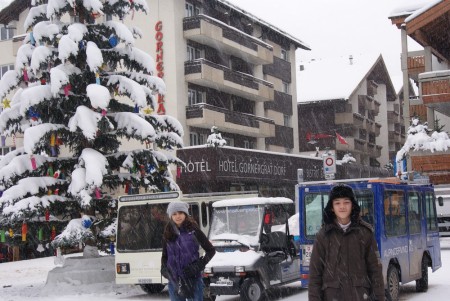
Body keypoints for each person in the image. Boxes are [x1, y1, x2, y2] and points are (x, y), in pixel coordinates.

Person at [308, 184, 385, 301]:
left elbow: (375, 271)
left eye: (346, 202)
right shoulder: (323, 235)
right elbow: (315, 275)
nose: (342, 206)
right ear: (332, 208)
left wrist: (378, 298)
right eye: (337, 203)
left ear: (353, 205)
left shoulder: (365, 233)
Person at [161, 201, 215, 301]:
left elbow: (211, 250)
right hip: (175, 281)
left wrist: (198, 266)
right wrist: (164, 269)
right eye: (174, 214)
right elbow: (165, 255)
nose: (178, 216)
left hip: (193, 280)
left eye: (180, 213)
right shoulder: (168, 232)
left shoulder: (194, 230)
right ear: (171, 216)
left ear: (185, 214)